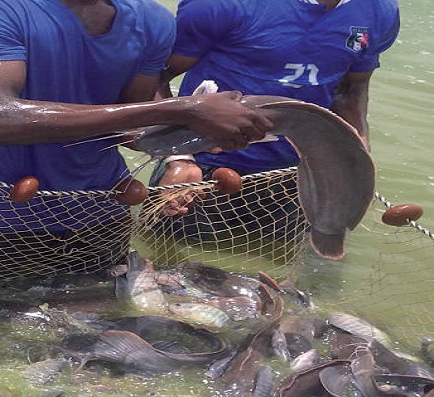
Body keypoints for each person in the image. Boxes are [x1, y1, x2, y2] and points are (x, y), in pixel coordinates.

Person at [0, 0, 272, 281]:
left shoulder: (152, 19)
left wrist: (184, 146)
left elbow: (128, 125)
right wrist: (182, 109)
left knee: (93, 337)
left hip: (100, 215)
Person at [149, 0, 400, 239]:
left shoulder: (379, 10)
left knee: (283, 272)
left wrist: (355, 152)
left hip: (298, 177)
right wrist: (177, 158)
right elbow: (154, 76)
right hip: (200, 167)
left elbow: (351, 88)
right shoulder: (222, 5)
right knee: (166, 266)